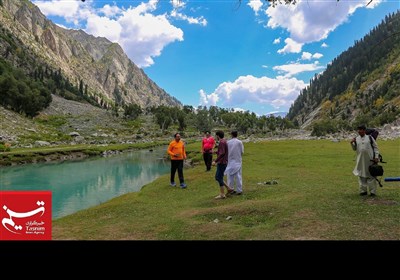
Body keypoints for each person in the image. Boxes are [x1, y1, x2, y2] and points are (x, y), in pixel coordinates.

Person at [350, 124, 380, 197]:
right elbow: (354, 149)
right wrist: (352, 143)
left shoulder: (370, 138)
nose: (359, 131)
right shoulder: (356, 138)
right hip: (360, 160)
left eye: (360, 130)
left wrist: (376, 157)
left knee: (371, 175)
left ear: (364, 130)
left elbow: (376, 148)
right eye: (358, 130)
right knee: (361, 175)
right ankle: (363, 191)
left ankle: (373, 192)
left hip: (370, 160)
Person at [225, 130, 244, 195]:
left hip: (230, 160)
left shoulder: (228, 142)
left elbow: (226, 151)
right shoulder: (240, 142)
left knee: (230, 176)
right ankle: (239, 190)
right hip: (238, 160)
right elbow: (242, 152)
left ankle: (231, 189)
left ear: (231, 135)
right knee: (238, 176)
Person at [212, 130, 230, 199]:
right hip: (223, 162)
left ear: (218, 136)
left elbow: (222, 153)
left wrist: (215, 161)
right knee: (219, 177)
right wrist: (216, 152)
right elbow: (222, 151)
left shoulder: (222, 142)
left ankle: (222, 194)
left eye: (216, 135)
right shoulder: (224, 141)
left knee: (218, 177)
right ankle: (228, 188)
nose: (215, 137)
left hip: (222, 162)